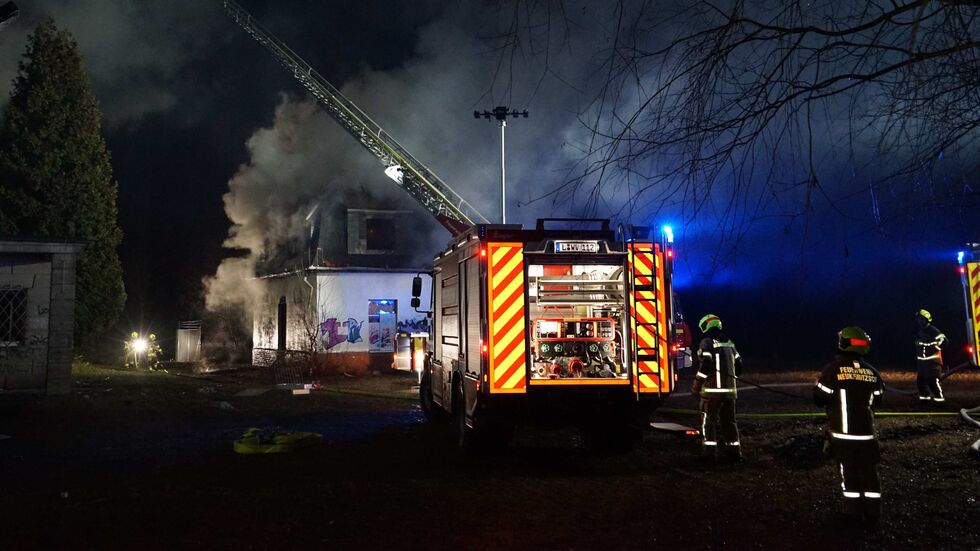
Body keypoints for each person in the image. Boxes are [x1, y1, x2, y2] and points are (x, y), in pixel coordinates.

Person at [814, 326, 884, 524]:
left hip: (843, 435)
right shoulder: (873, 372)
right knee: (870, 473)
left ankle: (852, 513)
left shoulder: (832, 370)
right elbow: (878, 399)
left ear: (844, 344)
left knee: (850, 473)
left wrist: (817, 387)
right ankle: (873, 512)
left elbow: (820, 398)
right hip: (868, 435)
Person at [692, 314, 743, 462]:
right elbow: (739, 365)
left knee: (709, 423)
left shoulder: (706, 342)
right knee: (730, 422)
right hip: (730, 393)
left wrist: (697, 385)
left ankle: (709, 454)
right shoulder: (730, 343)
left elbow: (706, 364)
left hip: (712, 393)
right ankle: (735, 453)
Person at [914, 309, 946, 402]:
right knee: (921, 382)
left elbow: (943, 340)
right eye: (919, 319)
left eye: (922, 319)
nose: (920, 321)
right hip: (922, 362)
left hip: (933, 363)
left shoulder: (932, 330)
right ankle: (925, 399)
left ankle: (939, 399)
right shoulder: (919, 330)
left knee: (933, 381)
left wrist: (932, 345)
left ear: (927, 320)